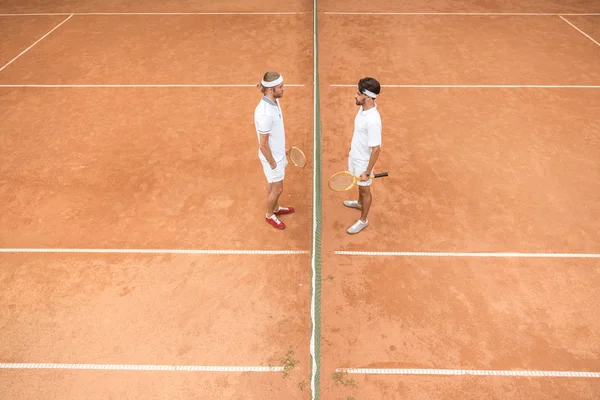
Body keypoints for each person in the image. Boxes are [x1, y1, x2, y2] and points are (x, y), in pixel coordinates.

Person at [254, 71, 295, 230]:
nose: (284, 89)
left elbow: (273, 134)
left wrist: (281, 148)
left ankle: (276, 208)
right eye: (281, 87)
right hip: (272, 158)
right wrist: (273, 163)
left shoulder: (273, 102)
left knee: (272, 183)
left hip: (276, 154)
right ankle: (270, 214)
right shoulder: (265, 113)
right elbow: (263, 145)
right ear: (271, 89)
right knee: (278, 188)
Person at [344, 77, 382, 234]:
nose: (355, 96)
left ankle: (363, 220)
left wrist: (367, 171)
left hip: (363, 161)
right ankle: (359, 203)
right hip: (355, 155)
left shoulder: (373, 121)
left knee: (365, 190)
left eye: (358, 93)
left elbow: (376, 149)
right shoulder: (363, 108)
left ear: (367, 96)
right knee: (360, 186)